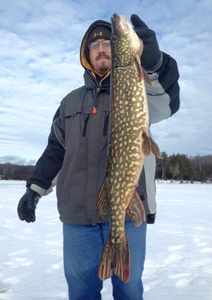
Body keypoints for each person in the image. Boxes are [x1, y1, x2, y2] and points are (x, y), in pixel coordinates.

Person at [17, 14, 180, 300]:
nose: (103, 48)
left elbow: (168, 101)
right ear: (86, 54)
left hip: (129, 212)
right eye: (95, 45)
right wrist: (34, 189)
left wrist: (155, 64)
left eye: (109, 42)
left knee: (129, 291)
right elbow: (55, 151)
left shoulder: (137, 88)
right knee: (81, 292)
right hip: (78, 217)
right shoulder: (69, 102)